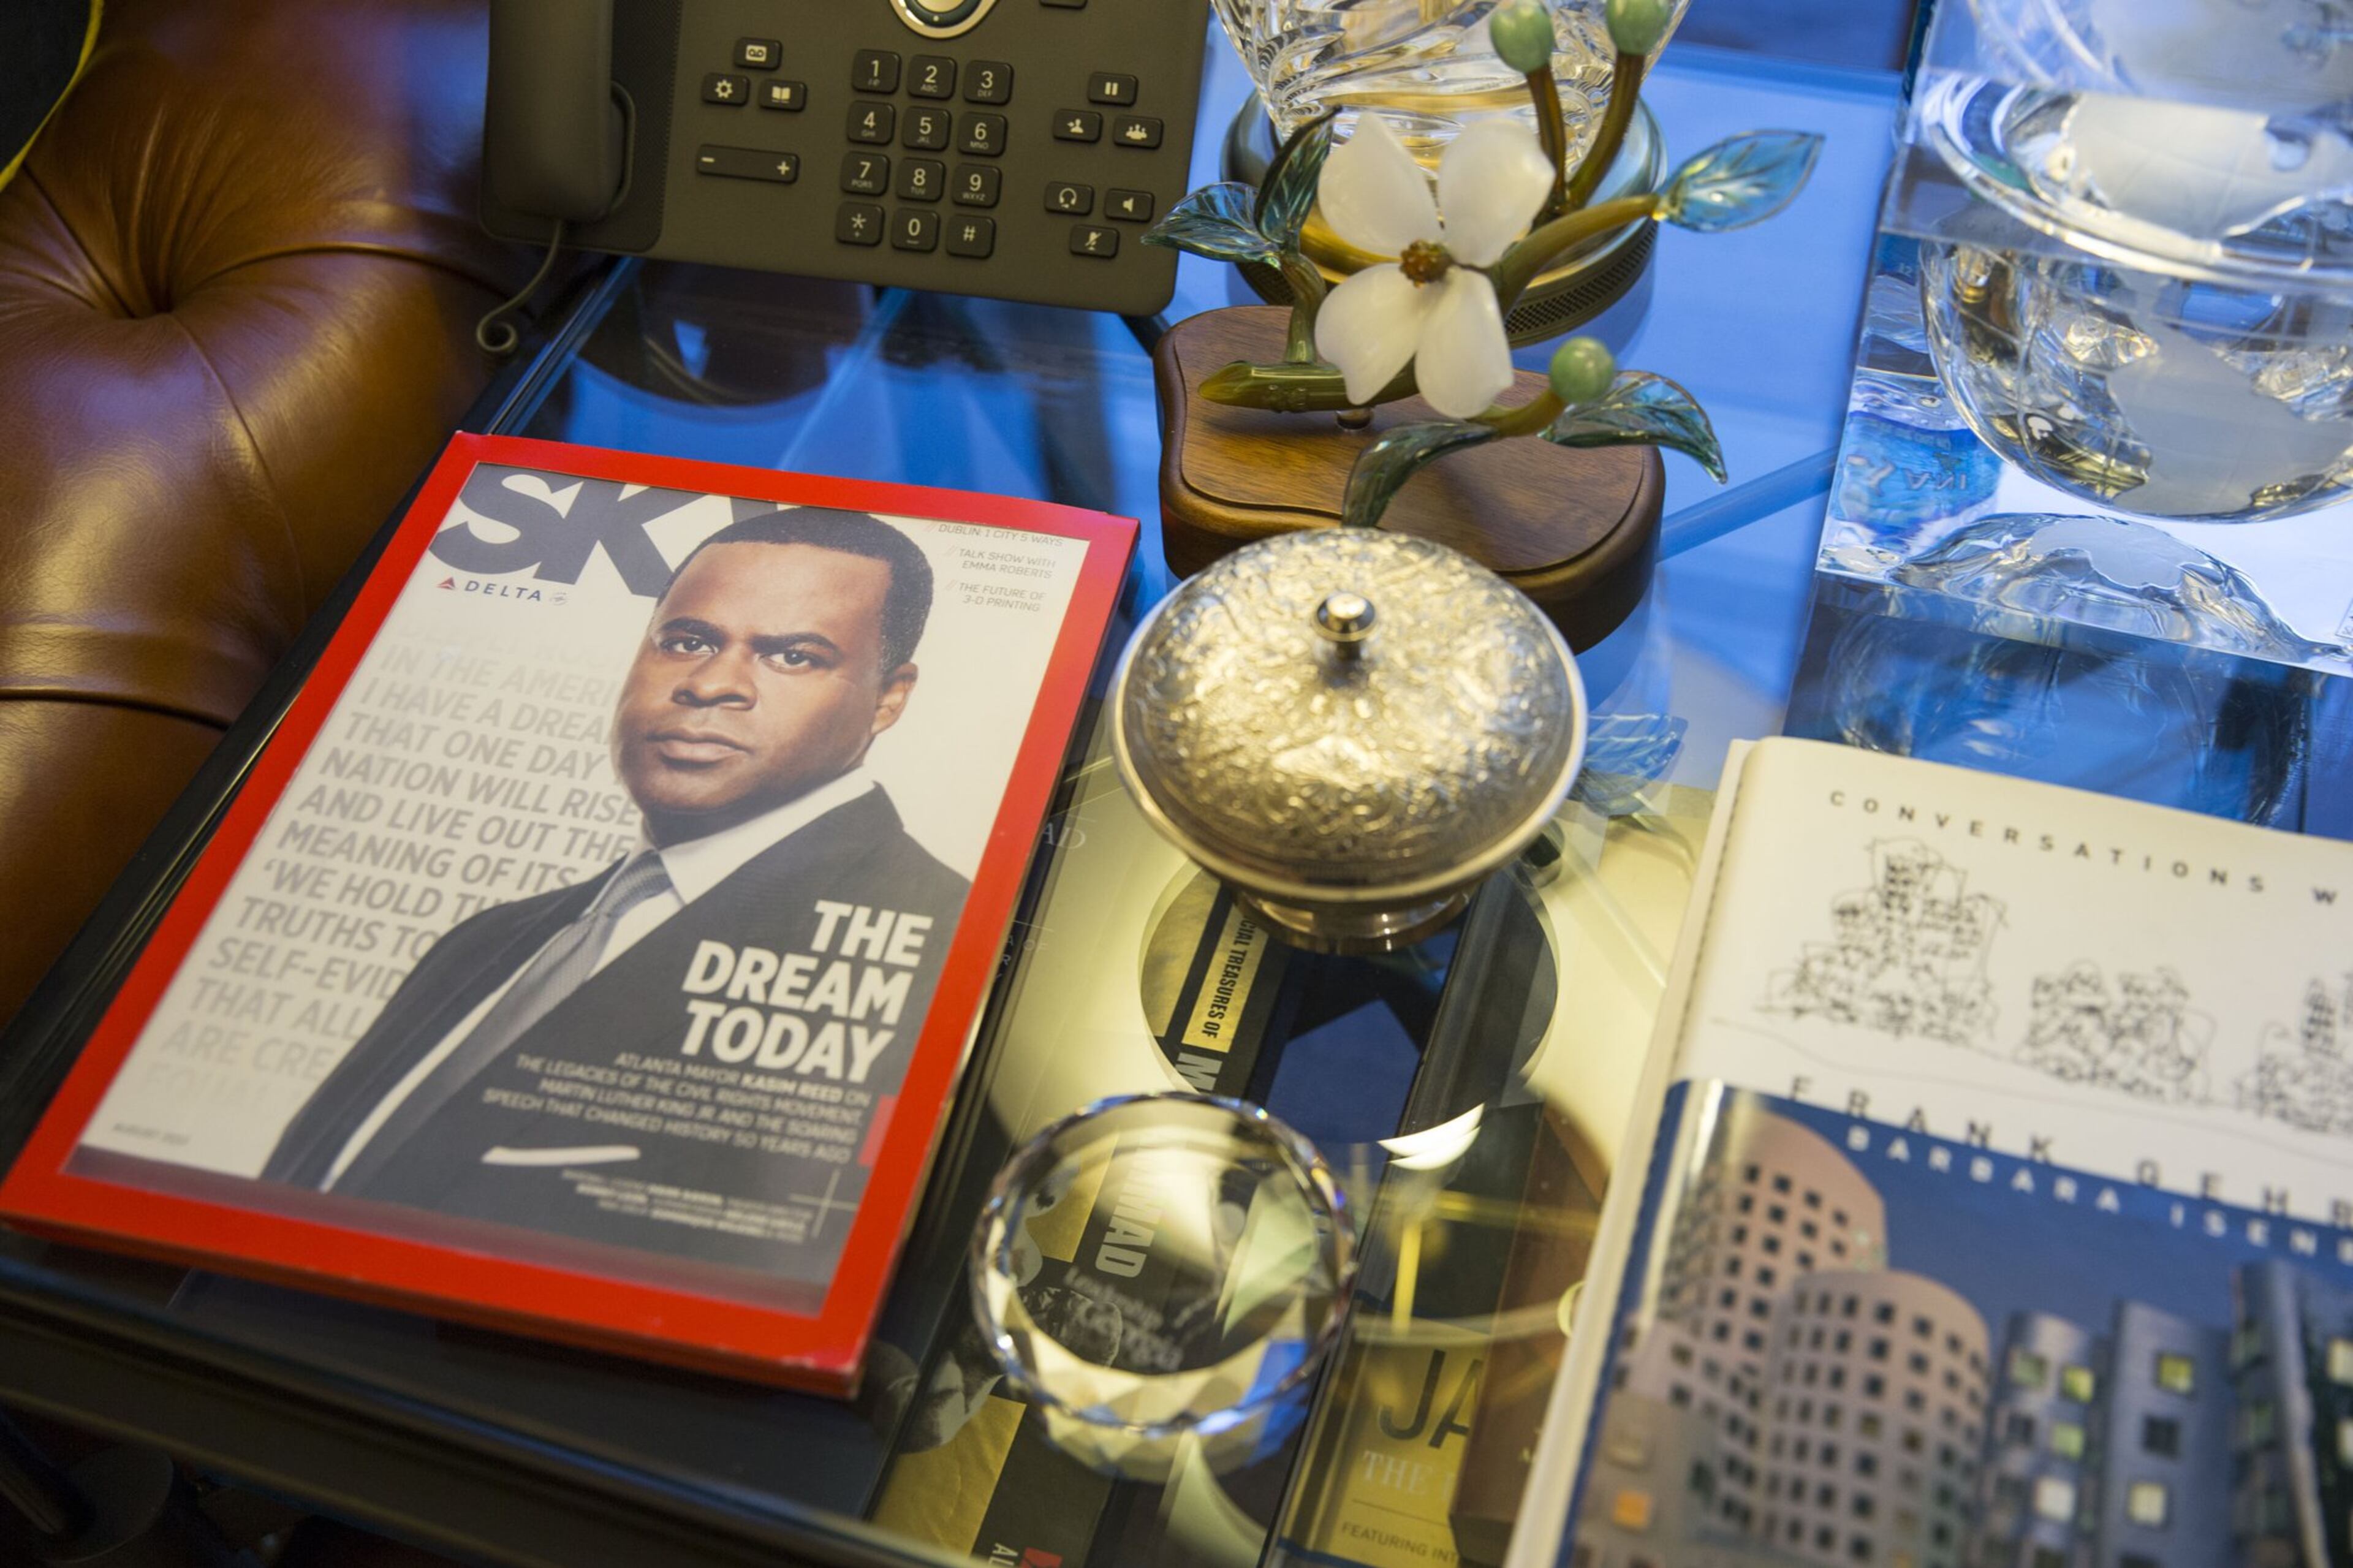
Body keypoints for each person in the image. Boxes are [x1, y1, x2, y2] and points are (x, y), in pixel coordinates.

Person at [263, 510, 969, 1282]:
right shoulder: (498, 937)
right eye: (688, 641)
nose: (710, 685)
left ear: (888, 698)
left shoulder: (939, 938)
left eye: (794, 656)